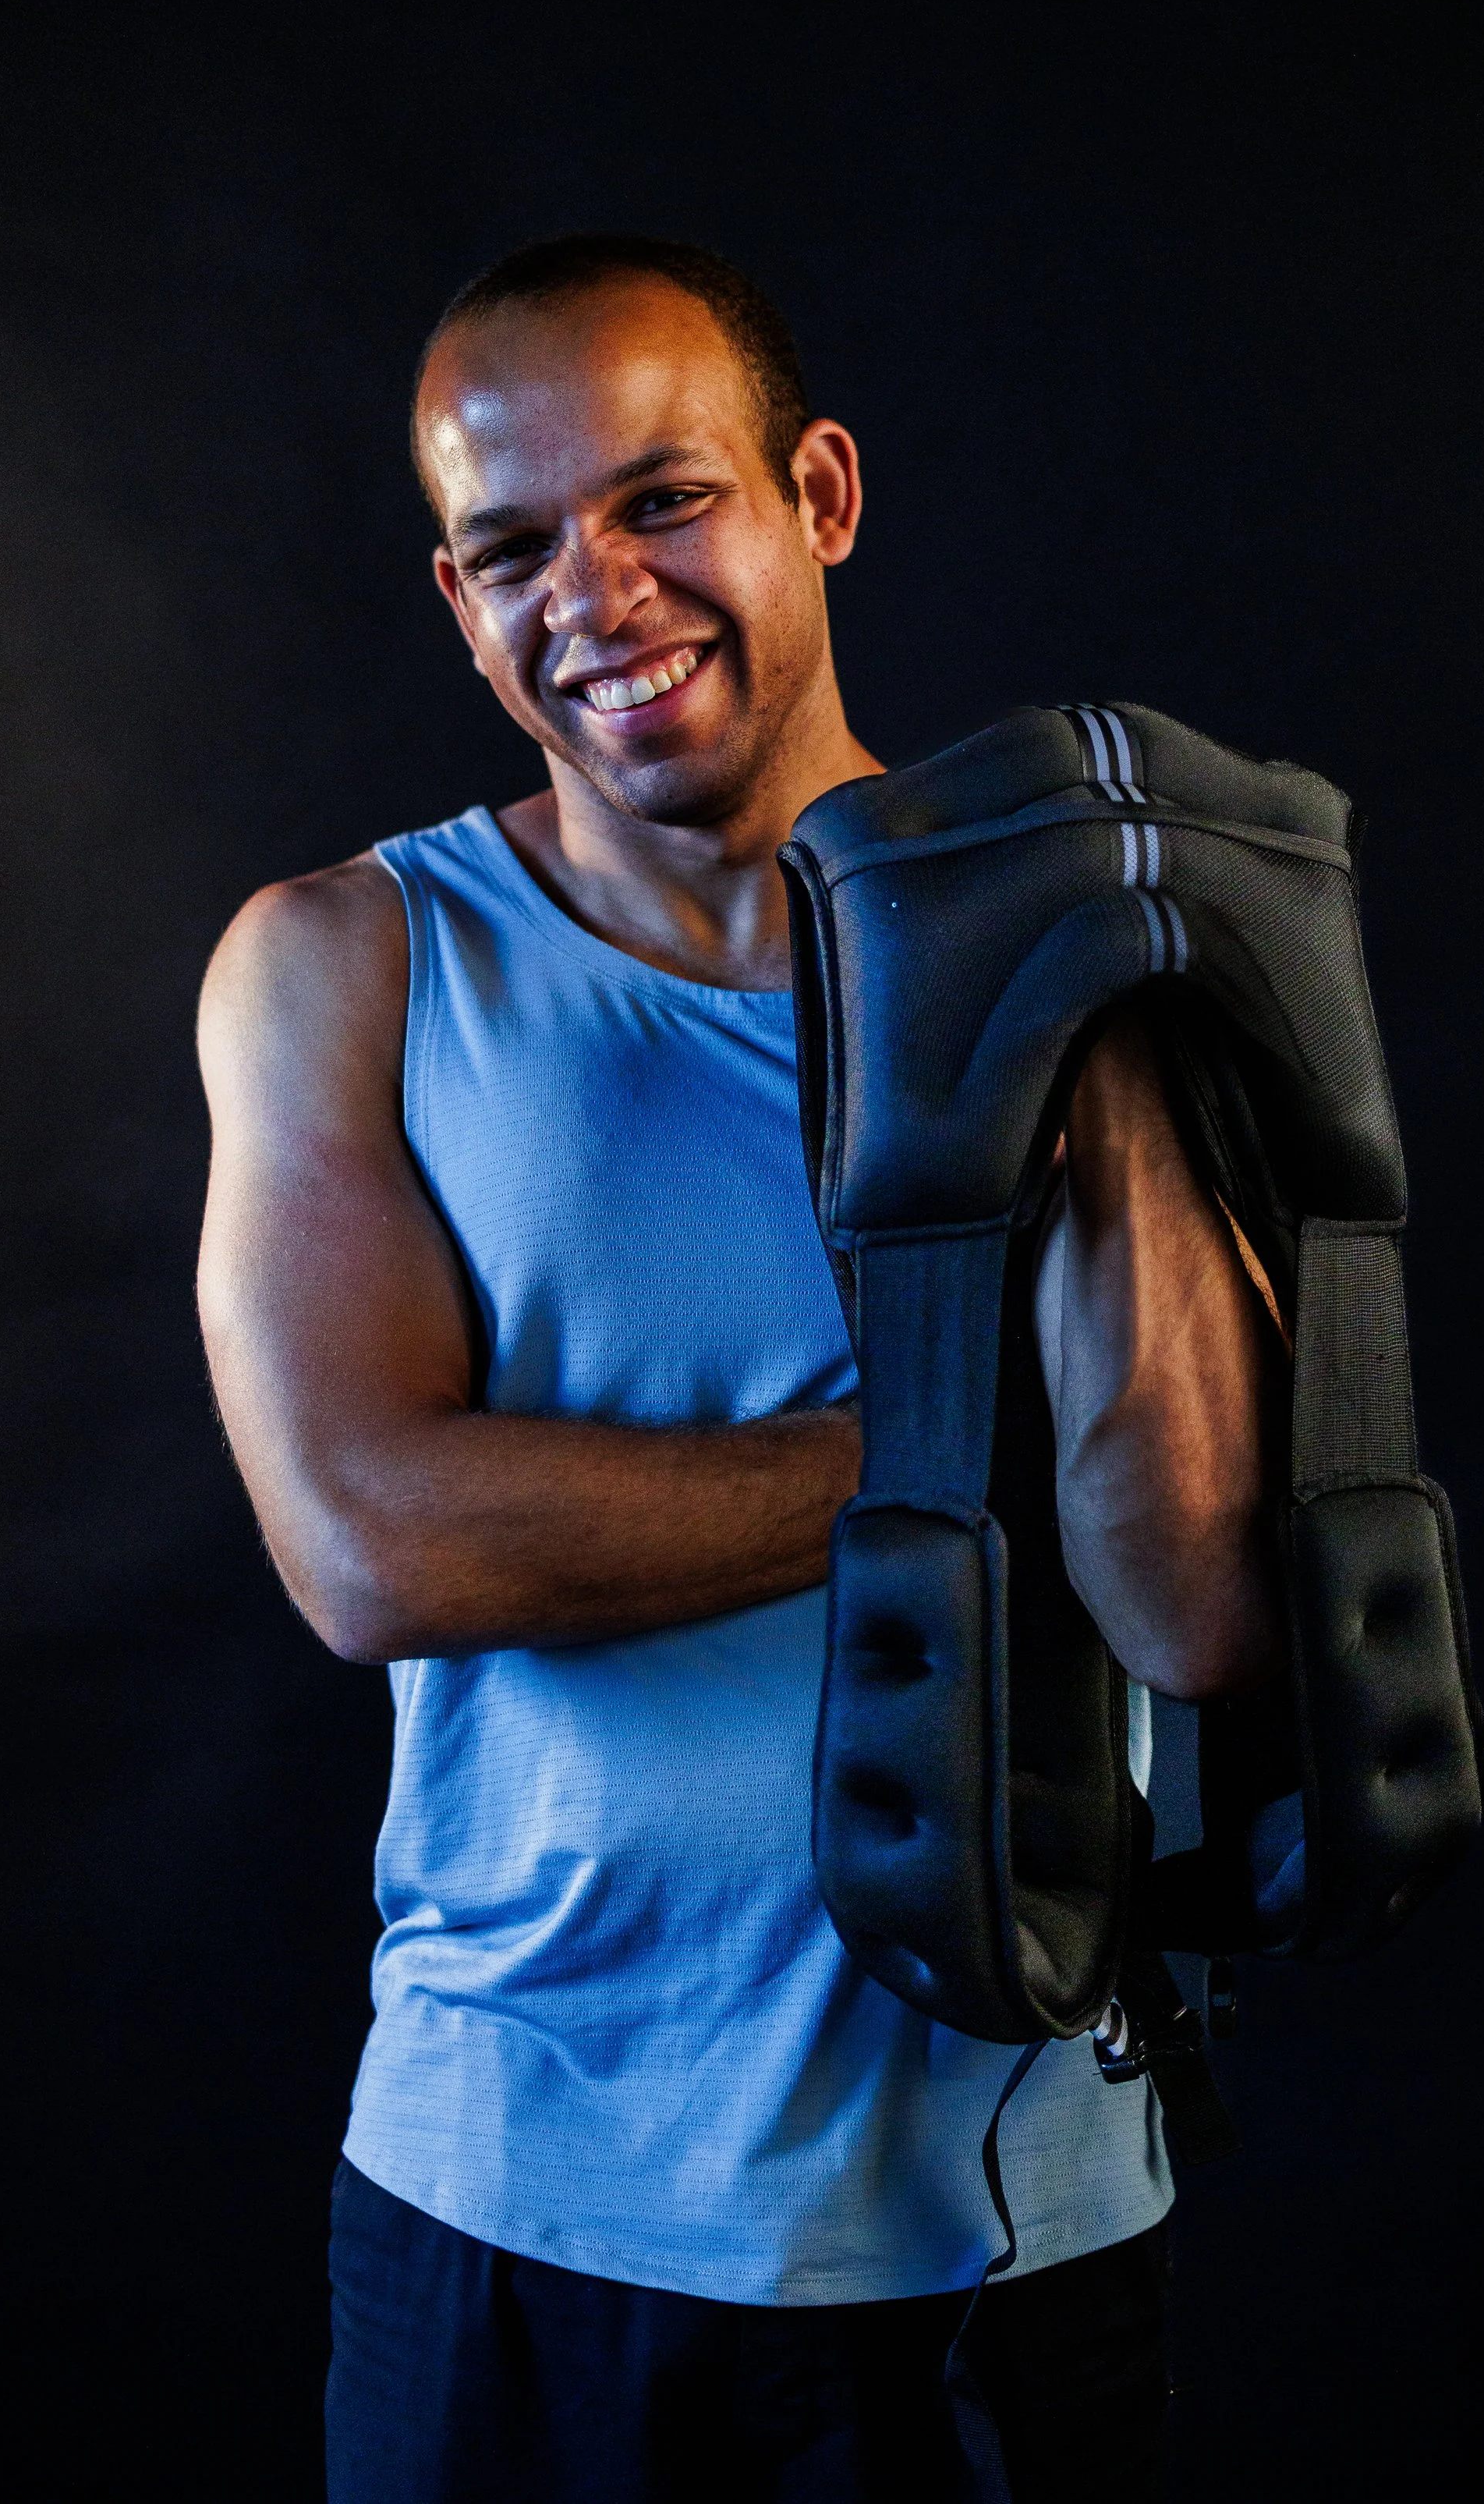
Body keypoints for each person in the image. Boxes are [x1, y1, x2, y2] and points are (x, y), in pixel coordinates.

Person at [196, 234, 1280, 2503]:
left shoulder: (1080, 945)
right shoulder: (346, 965)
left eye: (660, 501)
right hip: (515, 2205)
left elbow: (1190, 1592)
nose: (592, 591)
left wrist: (1079, 1039)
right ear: (456, 602)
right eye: (511, 549)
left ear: (819, 492)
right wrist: (966, 1430)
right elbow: (371, 1537)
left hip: (1015, 2208)